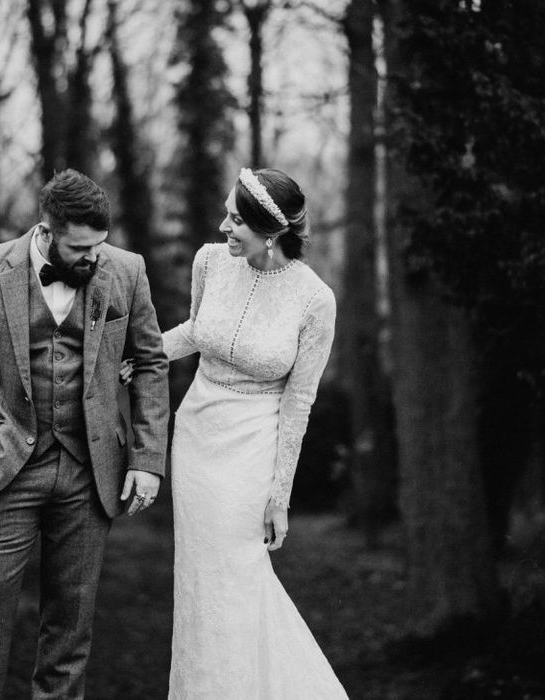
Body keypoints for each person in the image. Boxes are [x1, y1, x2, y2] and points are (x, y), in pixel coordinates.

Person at [0, 168, 169, 699]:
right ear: (47, 230)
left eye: (99, 246)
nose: (92, 258)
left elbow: (151, 362)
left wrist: (146, 458)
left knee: (71, 624)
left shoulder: (127, 271)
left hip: (89, 472)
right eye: (79, 247)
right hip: (6, 466)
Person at [146, 167, 347, 698]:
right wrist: (143, 357)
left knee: (237, 575)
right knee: (198, 582)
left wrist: (279, 495)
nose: (223, 227)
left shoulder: (314, 300)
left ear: (272, 232)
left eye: (236, 220)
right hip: (196, 435)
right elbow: (196, 330)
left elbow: (300, 400)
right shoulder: (209, 262)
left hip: (252, 448)